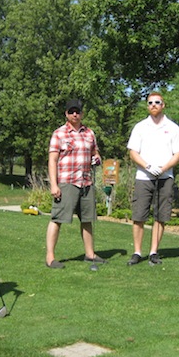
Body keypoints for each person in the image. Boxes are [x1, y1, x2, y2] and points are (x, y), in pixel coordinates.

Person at [126, 92, 179, 266]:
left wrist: (163, 168)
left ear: (163, 105)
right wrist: (147, 166)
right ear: (147, 106)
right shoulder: (140, 127)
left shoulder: (173, 128)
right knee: (139, 215)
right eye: (150, 102)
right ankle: (137, 252)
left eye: (157, 102)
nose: (153, 105)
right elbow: (133, 152)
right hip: (144, 177)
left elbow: (178, 154)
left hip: (165, 177)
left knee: (160, 216)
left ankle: (153, 252)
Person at [45, 99, 105, 269]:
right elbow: (52, 160)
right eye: (71, 112)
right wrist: (54, 184)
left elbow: (95, 153)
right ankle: (50, 257)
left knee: (87, 220)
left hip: (86, 182)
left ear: (82, 113)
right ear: (66, 114)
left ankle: (90, 254)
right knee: (57, 219)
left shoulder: (89, 133)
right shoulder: (59, 134)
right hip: (67, 182)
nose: (75, 114)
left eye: (77, 111)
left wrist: (97, 158)